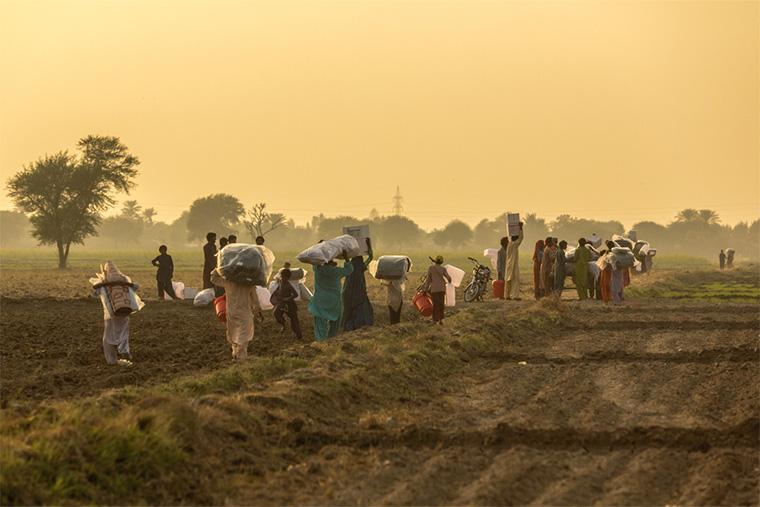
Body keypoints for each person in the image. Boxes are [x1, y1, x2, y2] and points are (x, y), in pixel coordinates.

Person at [91, 261, 142, 366]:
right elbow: (136, 286)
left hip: (110, 315)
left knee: (108, 338)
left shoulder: (103, 282)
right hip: (124, 313)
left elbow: (95, 291)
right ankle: (124, 350)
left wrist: (107, 283)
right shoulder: (125, 280)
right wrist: (123, 284)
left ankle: (112, 360)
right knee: (123, 333)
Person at [210, 269, 263, 359]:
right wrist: (258, 311)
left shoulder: (229, 281)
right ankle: (241, 356)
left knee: (233, 332)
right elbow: (254, 299)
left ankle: (235, 352)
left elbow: (213, 278)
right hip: (244, 313)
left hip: (231, 312)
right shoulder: (249, 283)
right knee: (244, 334)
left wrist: (218, 268)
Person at [308, 251, 354, 341]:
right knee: (335, 321)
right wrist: (346, 257)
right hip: (334, 301)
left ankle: (321, 341)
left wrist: (319, 247)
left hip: (320, 300)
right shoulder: (337, 271)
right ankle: (331, 340)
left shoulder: (318, 270)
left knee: (320, 322)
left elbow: (314, 261)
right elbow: (350, 269)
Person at [342, 238, 374, 332]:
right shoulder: (361, 267)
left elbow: (346, 259)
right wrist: (369, 245)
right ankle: (360, 326)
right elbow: (371, 257)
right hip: (359, 294)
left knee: (349, 313)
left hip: (348, 293)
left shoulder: (349, 268)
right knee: (361, 311)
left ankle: (348, 328)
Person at [272, 269, 302, 339]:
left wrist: (287, 298)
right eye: (281, 276)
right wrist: (275, 292)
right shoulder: (280, 281)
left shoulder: (289, 285)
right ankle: (283, 323)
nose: (282, 278)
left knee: (294, 320)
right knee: (276, 313)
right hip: (282, 303)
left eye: (284, 277)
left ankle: (299, 335)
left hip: (290, 305)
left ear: (287, 278)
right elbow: (278, 289)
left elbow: (295, 294)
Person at [424, 255, 452, 324]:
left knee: (435, 304)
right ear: (442, 262)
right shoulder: (443, 269)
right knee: (441, 304)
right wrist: (450, 280)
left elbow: (428, 280)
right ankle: (441, 320)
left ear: (435, 261)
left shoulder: (431, 268)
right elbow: (449, 278)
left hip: (434, 289)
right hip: (442, 289)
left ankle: (435, 320)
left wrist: (425, 289)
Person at [380, 259, 410, 325]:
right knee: (397, 317)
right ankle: (396, 326)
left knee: (392, 317)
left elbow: (381, 279)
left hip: (390, 300)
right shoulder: (398, 281)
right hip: (398, 301)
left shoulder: (387, 281)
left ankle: (392, 327)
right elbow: (405, 275)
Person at [505, 222, 524, 300]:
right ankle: (515, 296)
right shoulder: (514, 244)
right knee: (515, 280)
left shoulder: (509, 245)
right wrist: (520, 228)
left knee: (508, 280)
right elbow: (521, 238)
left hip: (509, 265)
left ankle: (507, 295)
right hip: (513, 265)